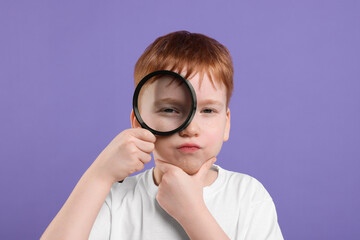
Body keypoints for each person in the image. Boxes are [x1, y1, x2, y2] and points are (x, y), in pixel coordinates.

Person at [41, 31, 284, 240]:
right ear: (139, 123)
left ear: (226, 124)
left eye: (208, 110)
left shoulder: (248, 196)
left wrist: (193, 213)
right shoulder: (115, 199)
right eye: (170, 109)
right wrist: (99, 175)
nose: (190, 128)